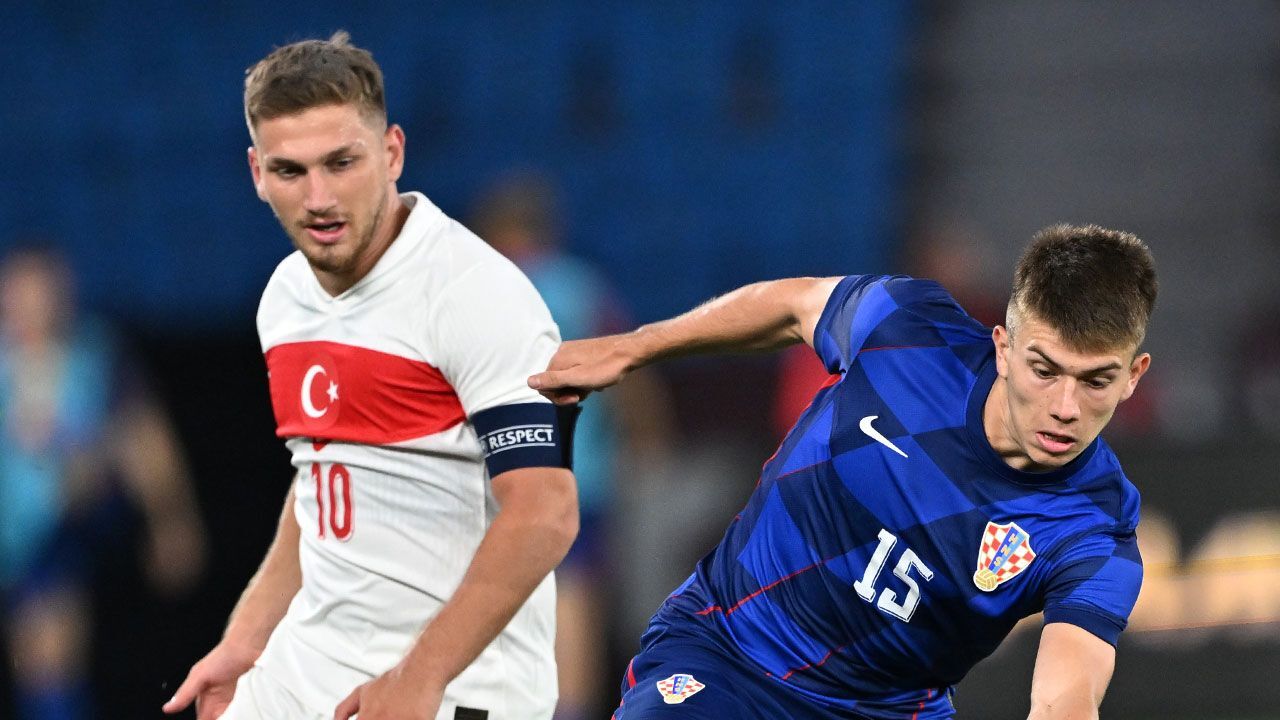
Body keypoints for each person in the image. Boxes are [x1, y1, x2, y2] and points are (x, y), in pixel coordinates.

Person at [529, 224, 1156, 719]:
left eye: (1096, 380)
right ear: (1004, 347)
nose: (1065, 407)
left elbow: (1066, 695)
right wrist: (632, 347)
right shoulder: (909, 330)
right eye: (1044, 370)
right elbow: (793, 305)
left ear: (1133, 376)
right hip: (728, 653)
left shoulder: (1095, 529)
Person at [163, 32, 579, 720]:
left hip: (454, 688)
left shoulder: (473, 294)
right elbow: (322, 473)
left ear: (392, 153)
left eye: (341, 163)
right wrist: (247, 638)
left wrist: (420, 675)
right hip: (305, 668)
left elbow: (545, 513)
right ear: (257, 172)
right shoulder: (285, 299)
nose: (319, 197)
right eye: (290, 171)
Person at [0, 246, 206, 718]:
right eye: (19, 294)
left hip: (66, 529)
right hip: (11, 530)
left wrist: (172, 519)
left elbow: (144, 437)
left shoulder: (95, 358)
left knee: (49, 652)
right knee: (36, 661)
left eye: (41, 293)